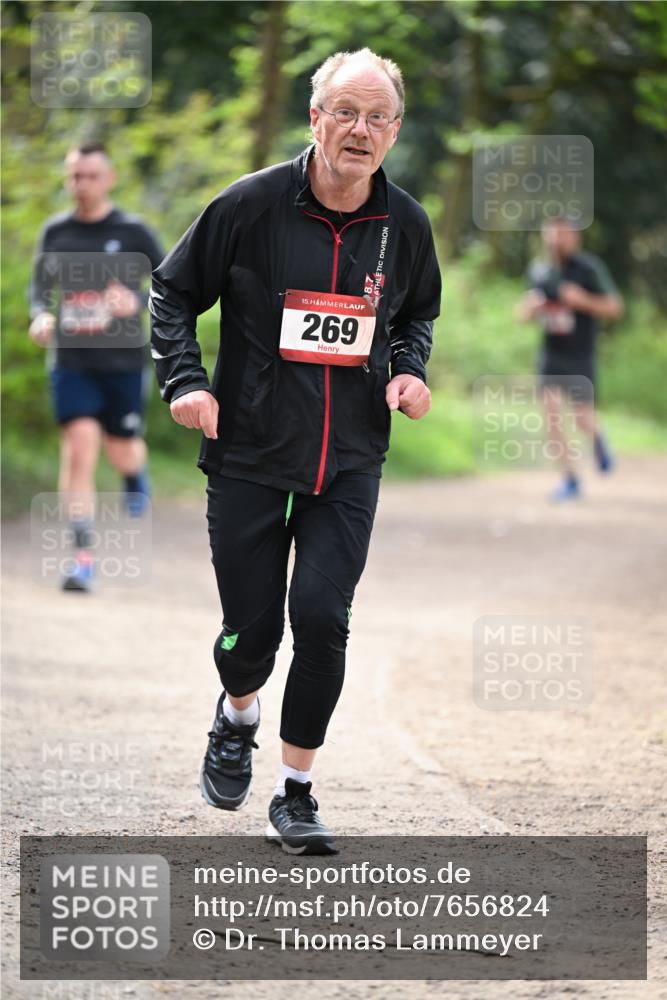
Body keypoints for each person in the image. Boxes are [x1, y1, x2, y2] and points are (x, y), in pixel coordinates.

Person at [150, 48, 441, 854]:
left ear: (393, 130)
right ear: (314, 119)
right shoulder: (247, 206)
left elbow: (416, 315)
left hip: (348, 456)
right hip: (247, 448)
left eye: (376, 117)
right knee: (251, 635)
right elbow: (172, 291)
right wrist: (185, 381)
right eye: (343, 112)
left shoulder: (405, 226)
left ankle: (296, 792)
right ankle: (237, 712)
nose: (359, 130)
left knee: (321, 620)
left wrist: (409, 371)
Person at [29, 142, 165, 590]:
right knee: (80, 445)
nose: (81, 185)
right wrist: (41, 315)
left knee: (121, 447)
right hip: (71, 362)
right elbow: (39, 290)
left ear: (109, 179)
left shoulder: (133, 233)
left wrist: (137, 300)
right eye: (74, 176)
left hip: (123, 363)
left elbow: (173, 286)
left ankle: (133, 472)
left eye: (90, 176)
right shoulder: (56, 233)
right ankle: (82, 558)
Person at [518, 217, 624, 501]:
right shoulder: (540, 271)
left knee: (581, 418)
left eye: (562, 236)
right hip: (552, 353)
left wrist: (583, 301)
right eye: (551, 236)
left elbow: (615, 307)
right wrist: (531, 309)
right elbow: (523, 314)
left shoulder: (589, 268)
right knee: (552, 417)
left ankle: (598, 438)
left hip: (581, 354)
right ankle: (570, 480)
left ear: (574, 238)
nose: (555, 241)